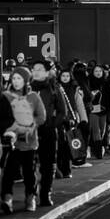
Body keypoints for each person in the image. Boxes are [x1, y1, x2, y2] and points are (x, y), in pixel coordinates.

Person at [2, 71, 45, 214]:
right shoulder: (6, 96)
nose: (15, 81)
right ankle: (7, 198)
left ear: (26, 80)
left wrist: (32, 126)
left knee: (29, 172)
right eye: (13, 78)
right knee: (9, 172)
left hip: (29, 140)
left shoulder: (34, 97)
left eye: (19, 78)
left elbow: (41, 116)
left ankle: (30, 197)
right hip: (11, 139)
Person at [29, 61, 67, 207]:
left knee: (48, 164)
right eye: (34, 69)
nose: (36, 72)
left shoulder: (54, 88)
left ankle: (45, 193)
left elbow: (62, 111)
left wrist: (52, 124)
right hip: (29, 130)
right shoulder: (27, 87)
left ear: (47, 72)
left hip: (48, 130)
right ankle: (31, 194)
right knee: (29, 164)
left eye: (40, 69)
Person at [86, 64, 108, 159]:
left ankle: (98, 148)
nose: (98, 73)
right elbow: (86, 97)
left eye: (100, 71)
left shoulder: (106, 83)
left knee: (102, 130)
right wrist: (92, 95)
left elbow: (109, 96)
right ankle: (98, 153)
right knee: (96, 130)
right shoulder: (89, 83)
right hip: (93, 109)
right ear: (93, 72)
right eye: (96, 71)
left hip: (103, 109)